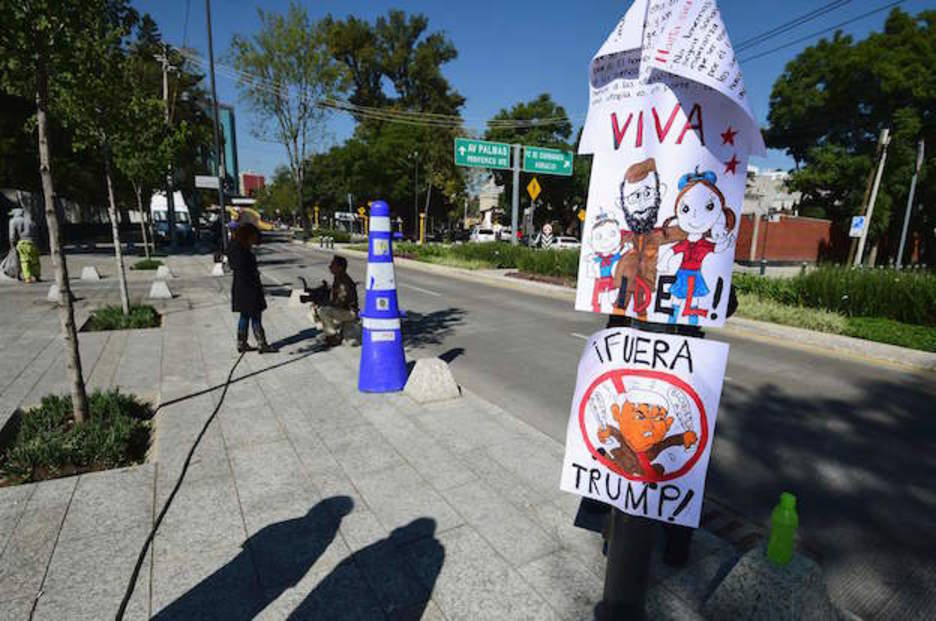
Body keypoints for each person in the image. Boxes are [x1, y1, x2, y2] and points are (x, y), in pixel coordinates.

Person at [227, 222, 277, 353]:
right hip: (249, 288)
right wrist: (254, 277)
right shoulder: (243, 251)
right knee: (255, 316)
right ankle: (262, 344)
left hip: (239, 286)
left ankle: (241, 343)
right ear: (248, 236)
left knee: (244, 315)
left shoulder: (233, 246)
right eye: (253, 237)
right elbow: (246, 270)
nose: (255, 240)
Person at [313, 255, 358, 347]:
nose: (330, 267)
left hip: (349, 312)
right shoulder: (338, 278)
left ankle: (332, 337)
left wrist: (325, 304)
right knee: (315, 310)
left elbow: (341, 302)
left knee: (323, 310)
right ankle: (331, 332)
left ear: (340, 268)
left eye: (333, 265)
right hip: (343, 311)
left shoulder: (344, 282)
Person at [8, 207, 40, 283]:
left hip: (22, 242)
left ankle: (27, 277)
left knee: (25, 261)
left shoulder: (13, 221)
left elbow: (12, 235)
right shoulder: (30, 221)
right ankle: (37, 276)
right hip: (33, 242)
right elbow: (37, 232)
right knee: (35, 261)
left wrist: (12, 245)